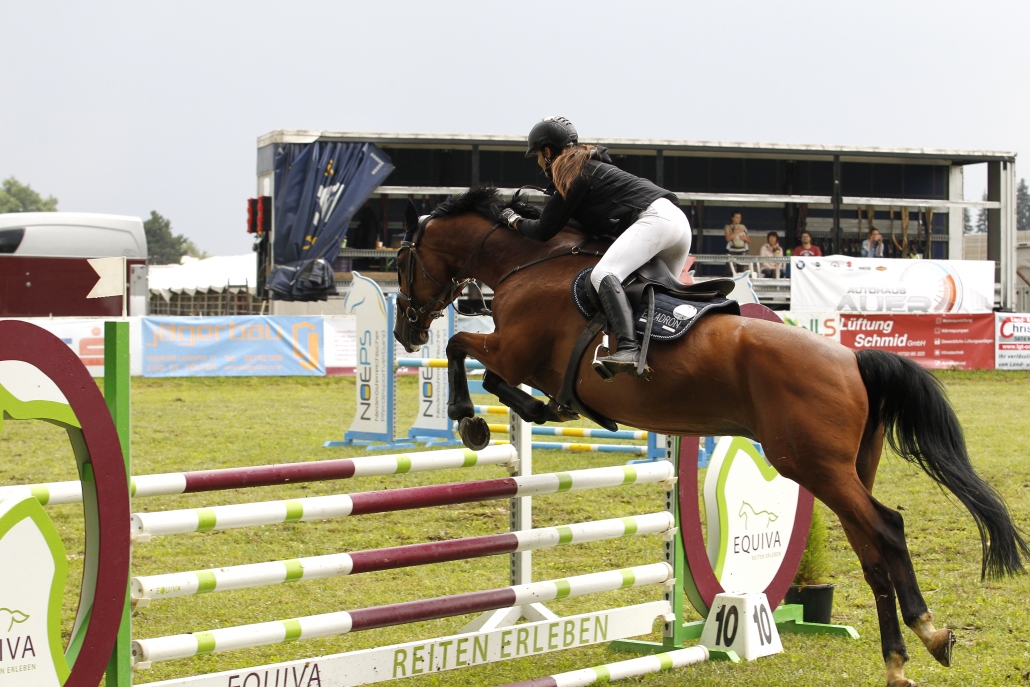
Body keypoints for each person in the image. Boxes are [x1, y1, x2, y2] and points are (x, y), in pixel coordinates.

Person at [500, 116, 691, 377]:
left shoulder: (570, 172)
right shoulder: (587, 165)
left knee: (603, 275)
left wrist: (513, 220)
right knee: (653, 300)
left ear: (547, 151)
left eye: (537, 155)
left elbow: (544, 230)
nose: (538, 162)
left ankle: (629, 349)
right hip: (677, 223)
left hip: (655, 221)